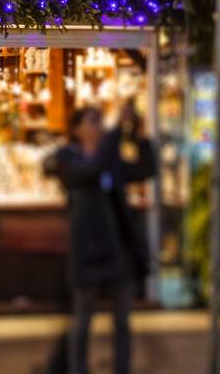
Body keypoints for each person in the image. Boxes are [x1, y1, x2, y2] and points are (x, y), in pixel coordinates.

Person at [43, 103, 156, 374]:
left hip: (117, 250)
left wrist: (140, 137)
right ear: (77, 129)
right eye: (93, 121)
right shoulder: (67, 159)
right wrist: (118, 130)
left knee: (122, 321)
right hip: (87, 251)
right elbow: (91, 171)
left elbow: (144, 170)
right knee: (82, 319)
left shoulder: (111, 159)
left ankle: (121, 368)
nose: (99, 127)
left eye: (101, 122)